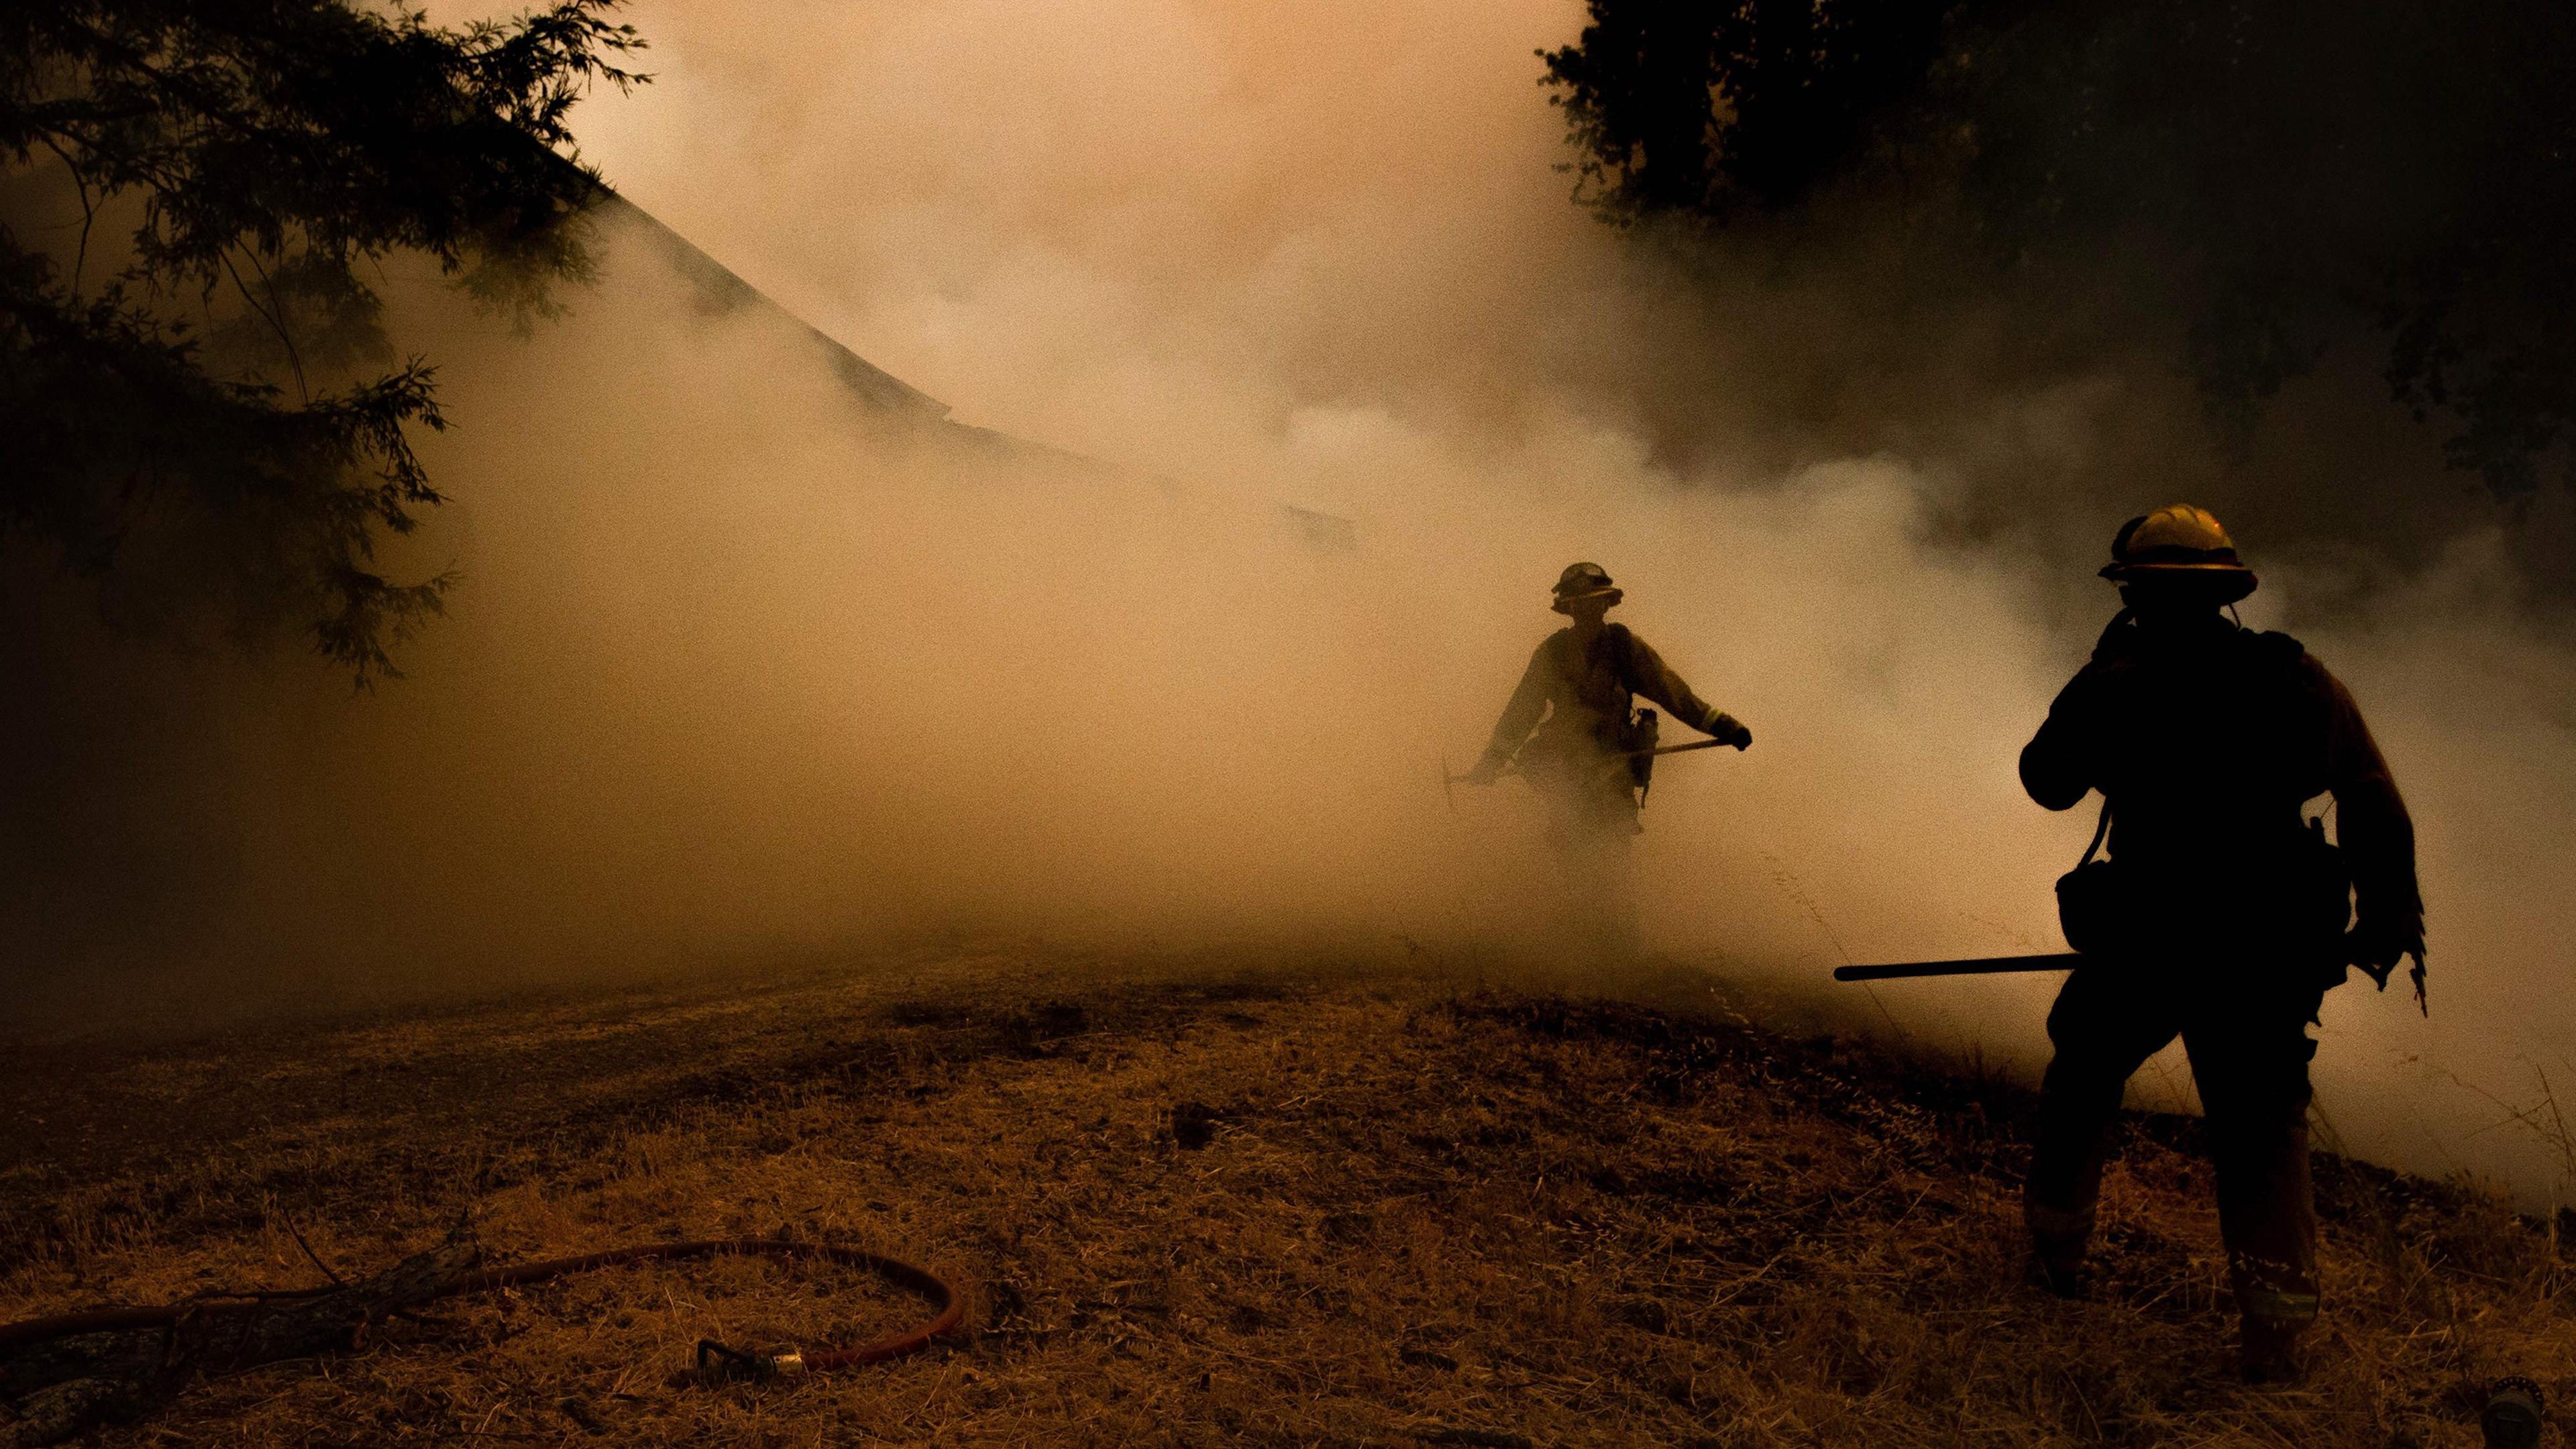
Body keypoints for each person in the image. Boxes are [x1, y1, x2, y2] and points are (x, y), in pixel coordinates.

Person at [2017, 504, 2424, 1384]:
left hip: (2146, 940)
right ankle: (2276, 1340)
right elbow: (2370, 797)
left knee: (2082, 1080)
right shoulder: (2294, 680)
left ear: (2134, 591)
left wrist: (2097, 689)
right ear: (2225, 593)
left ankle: (2054, 1259)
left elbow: (2046, 782)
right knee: (2262, 1134)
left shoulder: (2116, 683)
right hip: (2265, 948)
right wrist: (2388, 919)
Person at [1465, 564, 1750, 943]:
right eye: (1578, 605)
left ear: (1606, 606)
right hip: (1564, 765)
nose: (1587, 612)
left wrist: (1723, 726)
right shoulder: (1552, 653)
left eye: (1593, 604)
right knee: (1570, 841)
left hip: (1613, 767)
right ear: (1567, 610)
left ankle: (1618, 937)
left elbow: (1673, 692)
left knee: (1613, 843)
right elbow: (1522, 710)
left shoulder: (1623, 647)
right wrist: (1491, 761)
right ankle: (1581, 933)